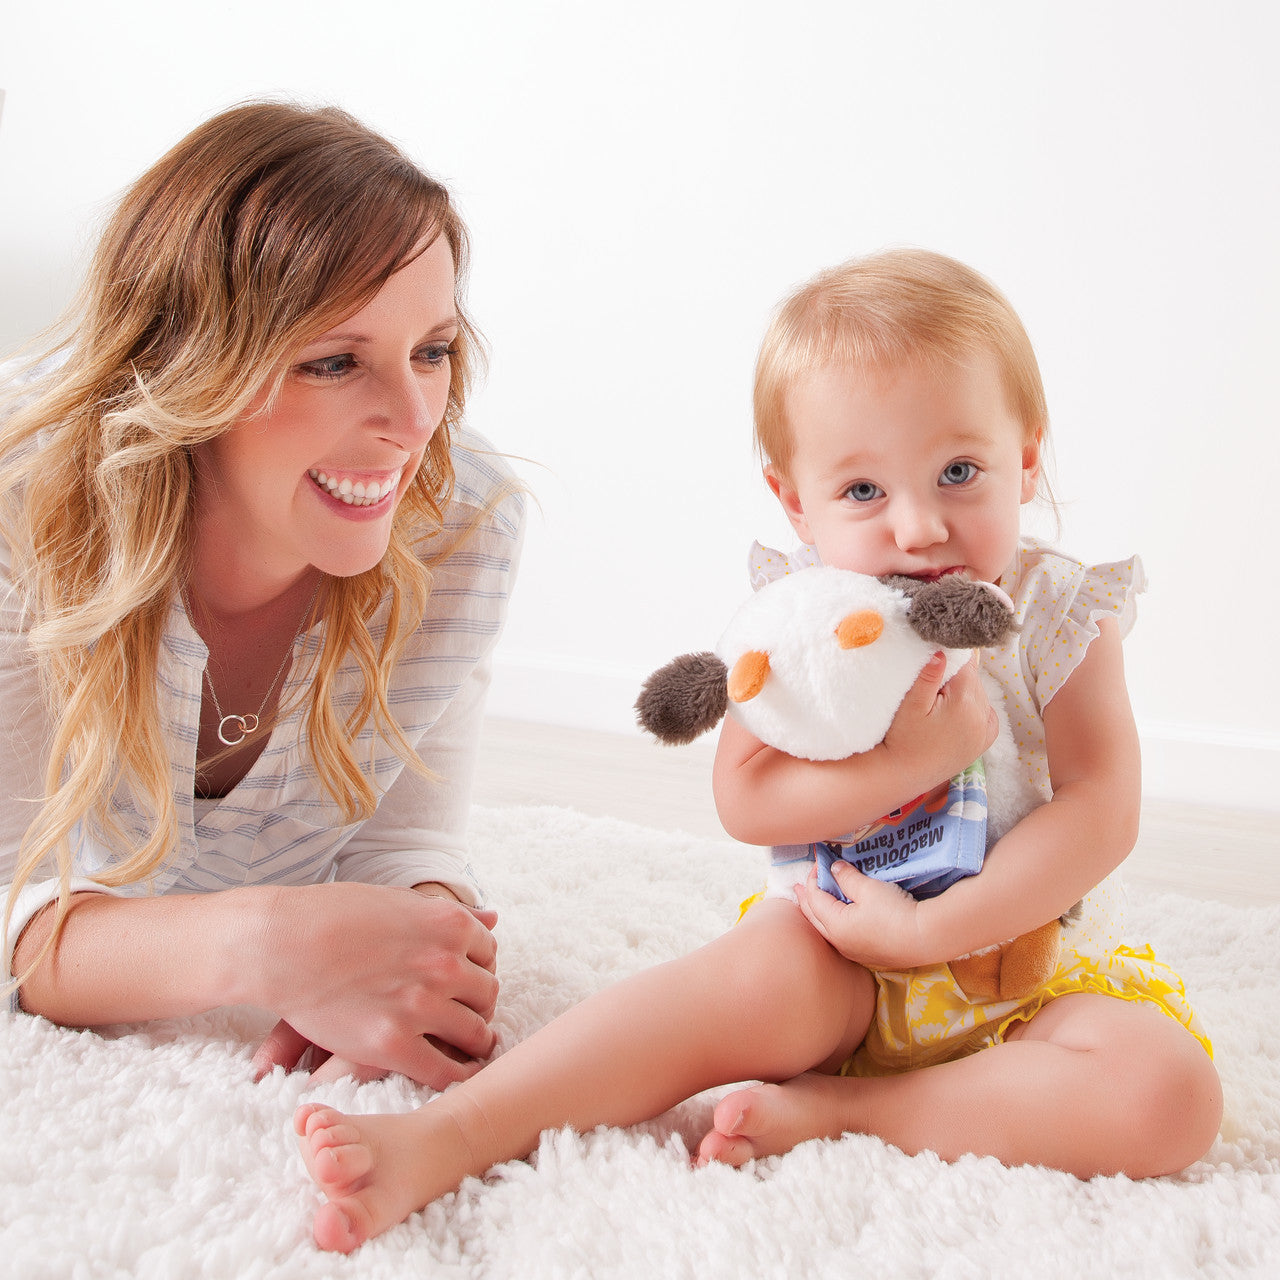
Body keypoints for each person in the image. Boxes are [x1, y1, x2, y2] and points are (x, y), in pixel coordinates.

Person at [294, 249, 1222, 1253]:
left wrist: (933, 932)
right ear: (794, 502)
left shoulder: (1054, 610)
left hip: (1024, 966)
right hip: (835, 948)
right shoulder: (801, 618)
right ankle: (450, 1130)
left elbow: (1099, 806)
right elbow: (747, 799)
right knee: (732, 983)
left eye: (958, 471)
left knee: (1167, 1094)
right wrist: (917, 765)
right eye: (862, 488)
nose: (918, 526)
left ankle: (846, 1112)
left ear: (1026, 456)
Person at [1, 101, 523, 1089]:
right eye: (334, 361)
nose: (416, 421)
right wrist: (265, 942)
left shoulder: (464, 523)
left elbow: (404, 836)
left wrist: (422, 947)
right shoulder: (22, 502)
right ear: (188, 368)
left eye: (432, 349)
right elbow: (10, 901)